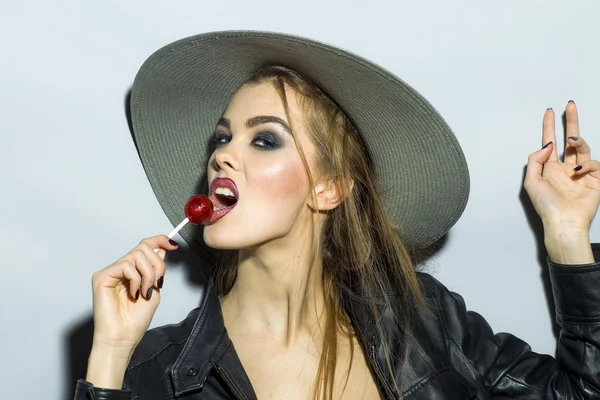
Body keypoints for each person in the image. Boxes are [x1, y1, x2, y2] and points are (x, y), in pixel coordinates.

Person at [73, 31, 600, 400]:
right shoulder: (154, 366)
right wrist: (110, 359)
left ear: (328, 189)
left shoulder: (423, 316)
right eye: (222, 137)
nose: (222, 156)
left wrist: (568, 234)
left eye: (264, 139)